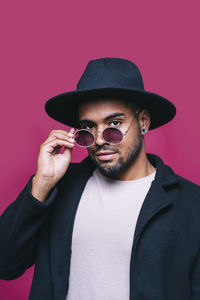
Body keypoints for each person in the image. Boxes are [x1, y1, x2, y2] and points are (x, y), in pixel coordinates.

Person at [0, 57, 200, 300]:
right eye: (88, 128)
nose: (101, 139)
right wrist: (42, 183)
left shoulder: (190, 204)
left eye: (114, 124)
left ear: (143, 121)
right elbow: (5, 263)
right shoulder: (58, 187)